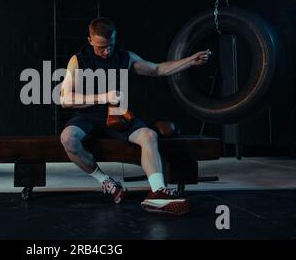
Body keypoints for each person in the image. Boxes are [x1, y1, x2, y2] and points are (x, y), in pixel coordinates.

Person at [59, 18, 210, 215]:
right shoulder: (77, 60)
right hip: (89, 115)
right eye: (101, 47)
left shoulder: (125, 57)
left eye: (110, 46)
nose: (107, 51)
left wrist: (190, 60)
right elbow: (65, 99)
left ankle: (158, 193)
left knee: (149, 135)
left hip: (119, 115)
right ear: (90, 41)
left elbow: (157, 69)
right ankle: (106, 182)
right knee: (68, 139)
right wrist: (102, 97)